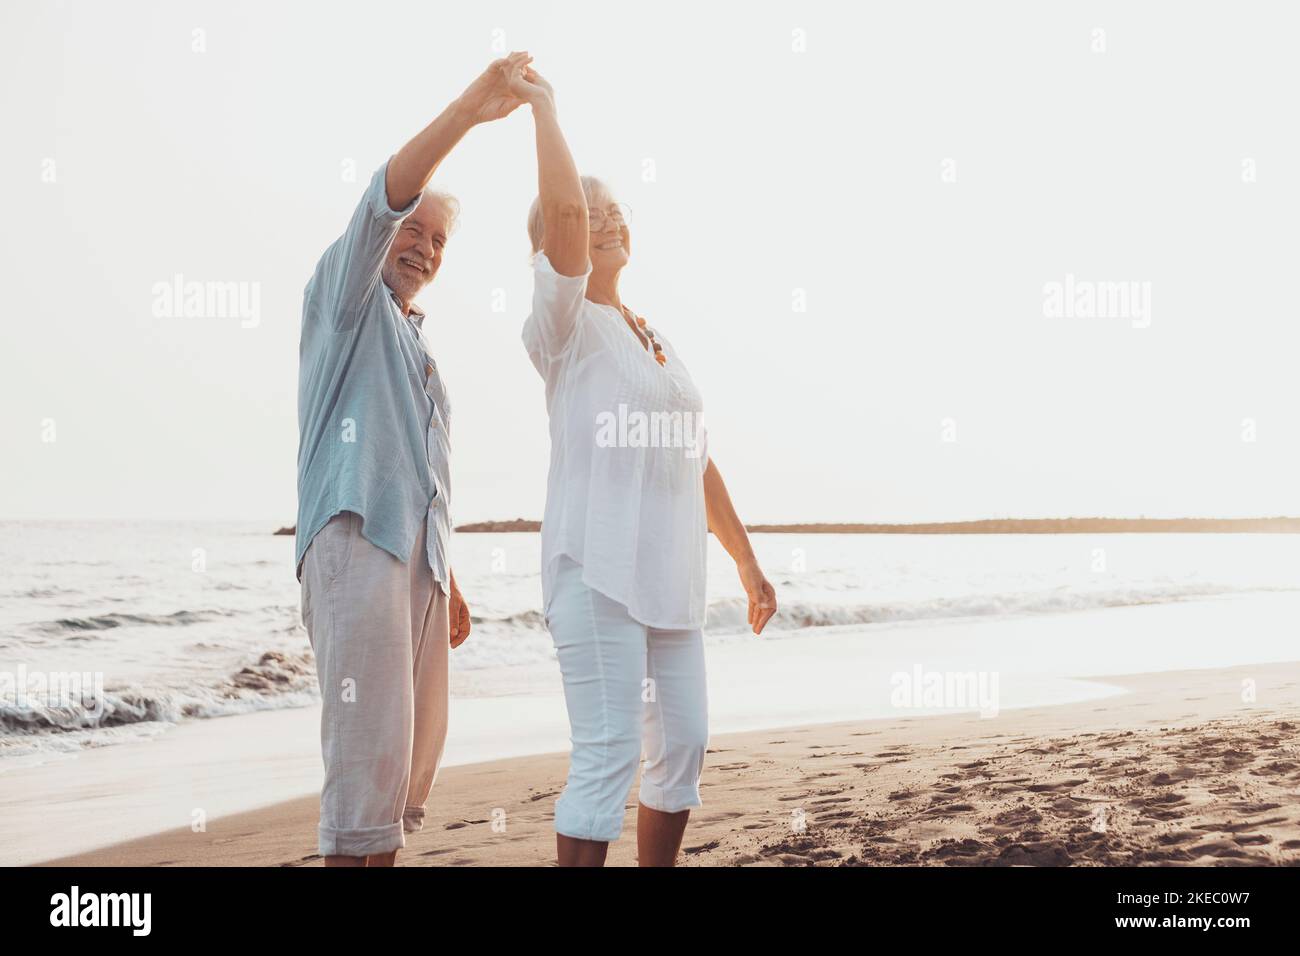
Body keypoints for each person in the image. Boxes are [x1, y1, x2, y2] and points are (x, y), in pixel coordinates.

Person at [511, 62, 779, 867]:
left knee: (685, 745)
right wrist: (544, 110)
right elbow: (560, 206)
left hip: (670, 578)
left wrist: (747, 560)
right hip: (596, 572)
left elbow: (694, 459)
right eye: (589, 215)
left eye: (616, 210)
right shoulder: (562, 325)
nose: (605, 219)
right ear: (554, 244)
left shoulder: (651, 335)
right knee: (606, 754)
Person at [295, 53, 532, 867]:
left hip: (415, 567)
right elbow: (382, 195)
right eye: (412, 230)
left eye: (438, 240)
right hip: (357, 545)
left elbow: (421, 481)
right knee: (362, 790)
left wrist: (449, 580)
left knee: (398, 789)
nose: (423, 247)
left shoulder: (415, 341)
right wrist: (469, 110)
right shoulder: (345, 300)